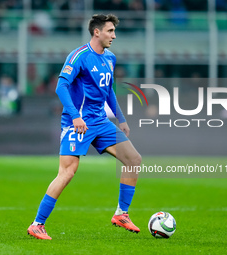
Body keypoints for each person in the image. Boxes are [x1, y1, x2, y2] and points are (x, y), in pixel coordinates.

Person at [27, 14, 142, 240]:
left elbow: (109, 91)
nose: (114, 36)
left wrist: (121, 118)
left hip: (100, 121)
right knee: (67, 172)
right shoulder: (79, 56)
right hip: (77, 123)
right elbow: (61, 87)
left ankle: (121, 214)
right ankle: (37, 224)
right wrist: (75, 116)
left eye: (114, 31)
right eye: (110, 31)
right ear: (96, 32)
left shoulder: (110, 58)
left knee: (134, 160)